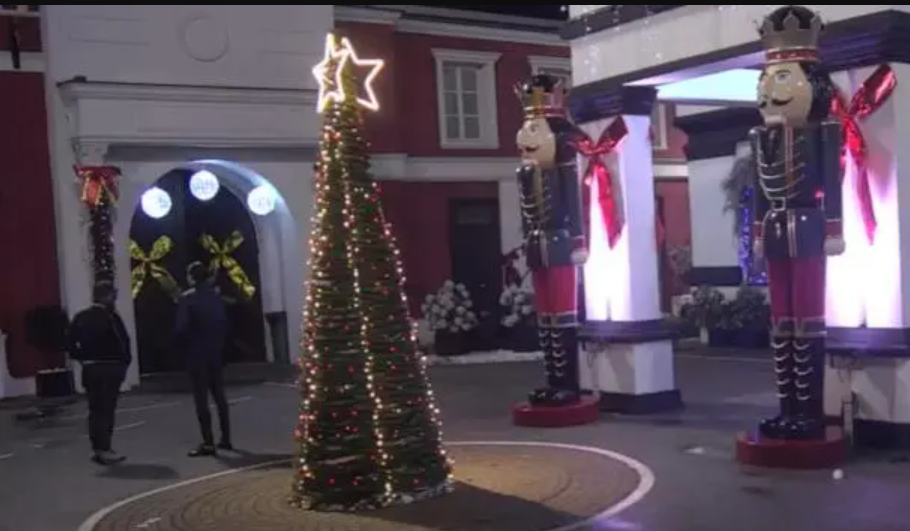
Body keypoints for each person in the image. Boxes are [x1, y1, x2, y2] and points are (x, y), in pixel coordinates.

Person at [67, 281, 131, 465]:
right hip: (110, 367)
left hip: (90, 368)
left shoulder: (80, 317)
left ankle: (97, 448)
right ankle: (105, 448)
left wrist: (82, 358)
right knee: (107, 410)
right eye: (113, 294)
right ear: (107, 295)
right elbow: (123, 342)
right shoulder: (111, 317)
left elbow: (69, 343)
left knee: (94, 410)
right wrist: (124, 363)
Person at [175, 261, 232, 456]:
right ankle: (226, 438)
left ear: (191, 277)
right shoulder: (216, 297)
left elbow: (181, 328)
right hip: (215, 351)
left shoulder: (187, 298)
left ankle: (208, 442)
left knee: (201, 399)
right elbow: (223, 323)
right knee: (219, 396)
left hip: (196, 353)